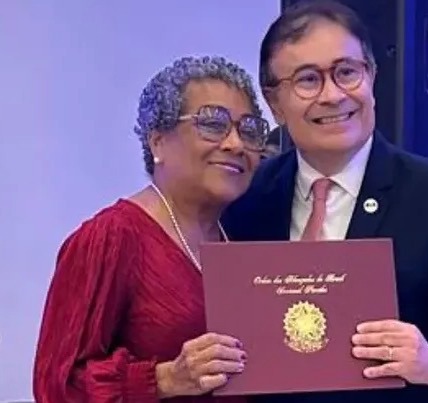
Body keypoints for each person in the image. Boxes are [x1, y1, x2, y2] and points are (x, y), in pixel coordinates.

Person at [221, 1, 428, 402]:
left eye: (346, 72)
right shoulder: (247, 196)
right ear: (275, 104)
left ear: (372, 76)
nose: (332, 95)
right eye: (308, 80)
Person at [33, 55, 270, 402]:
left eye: (248, 129)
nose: (235, 144)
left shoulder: (238, 238)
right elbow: (58, 384)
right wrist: (165, 379)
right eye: (213, 124)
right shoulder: (112, 237)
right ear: (158, 141)